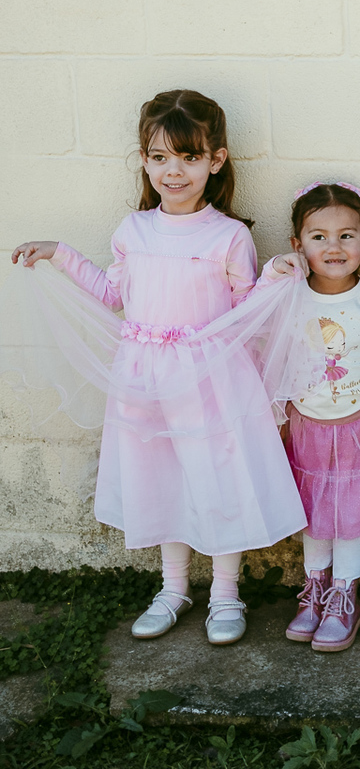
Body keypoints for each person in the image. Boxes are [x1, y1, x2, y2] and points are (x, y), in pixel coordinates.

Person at [6, 89, 315, 645]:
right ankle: (173, 588)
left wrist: (272, 275)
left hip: (210, 380)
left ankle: (225, 593)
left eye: (189, 157)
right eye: (159, 157)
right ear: (144, 160)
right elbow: (112, 296)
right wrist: (61, 253)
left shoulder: (228, 235)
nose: (173, 171)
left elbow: (244, 314)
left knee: (217, 479)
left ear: (215, 160)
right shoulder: (134, 230)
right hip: (146, 381)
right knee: (163, 478)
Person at [260, 182, 360, 653]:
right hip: (307, 426)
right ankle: (315, 588)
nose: (334, 247)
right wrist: (276, 417)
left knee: (350, 514)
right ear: (297, 245)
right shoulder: (289, 299)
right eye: (318, 237)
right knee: (314, 513)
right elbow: (272, 356)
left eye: (347, 236)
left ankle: (345, 595)